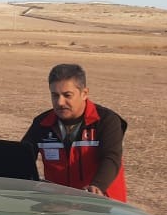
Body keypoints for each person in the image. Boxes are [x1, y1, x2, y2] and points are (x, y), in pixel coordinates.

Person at [22, 63, 127, 200]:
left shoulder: (106, 121)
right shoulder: (42, 124)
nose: (60, 102)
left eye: (67, 95)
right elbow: (23, 158)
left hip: (102, 205)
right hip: (58, 204)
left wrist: (97, 186)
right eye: (55, 95)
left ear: (84, 94)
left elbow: (112, 158)